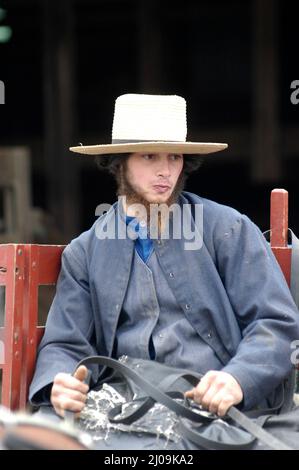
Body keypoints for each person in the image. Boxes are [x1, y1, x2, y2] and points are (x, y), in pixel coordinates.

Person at [29, 94, 299, 448]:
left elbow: (275, 324)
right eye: (149, 156)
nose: (165, 170)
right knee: (36, 437)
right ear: (119, 163)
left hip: (211, 407)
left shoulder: (227, 228)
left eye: (174, 156)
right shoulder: (86, 251)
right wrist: (61, 381)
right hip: (125, 405)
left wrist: (238, 379)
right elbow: (66, 343)